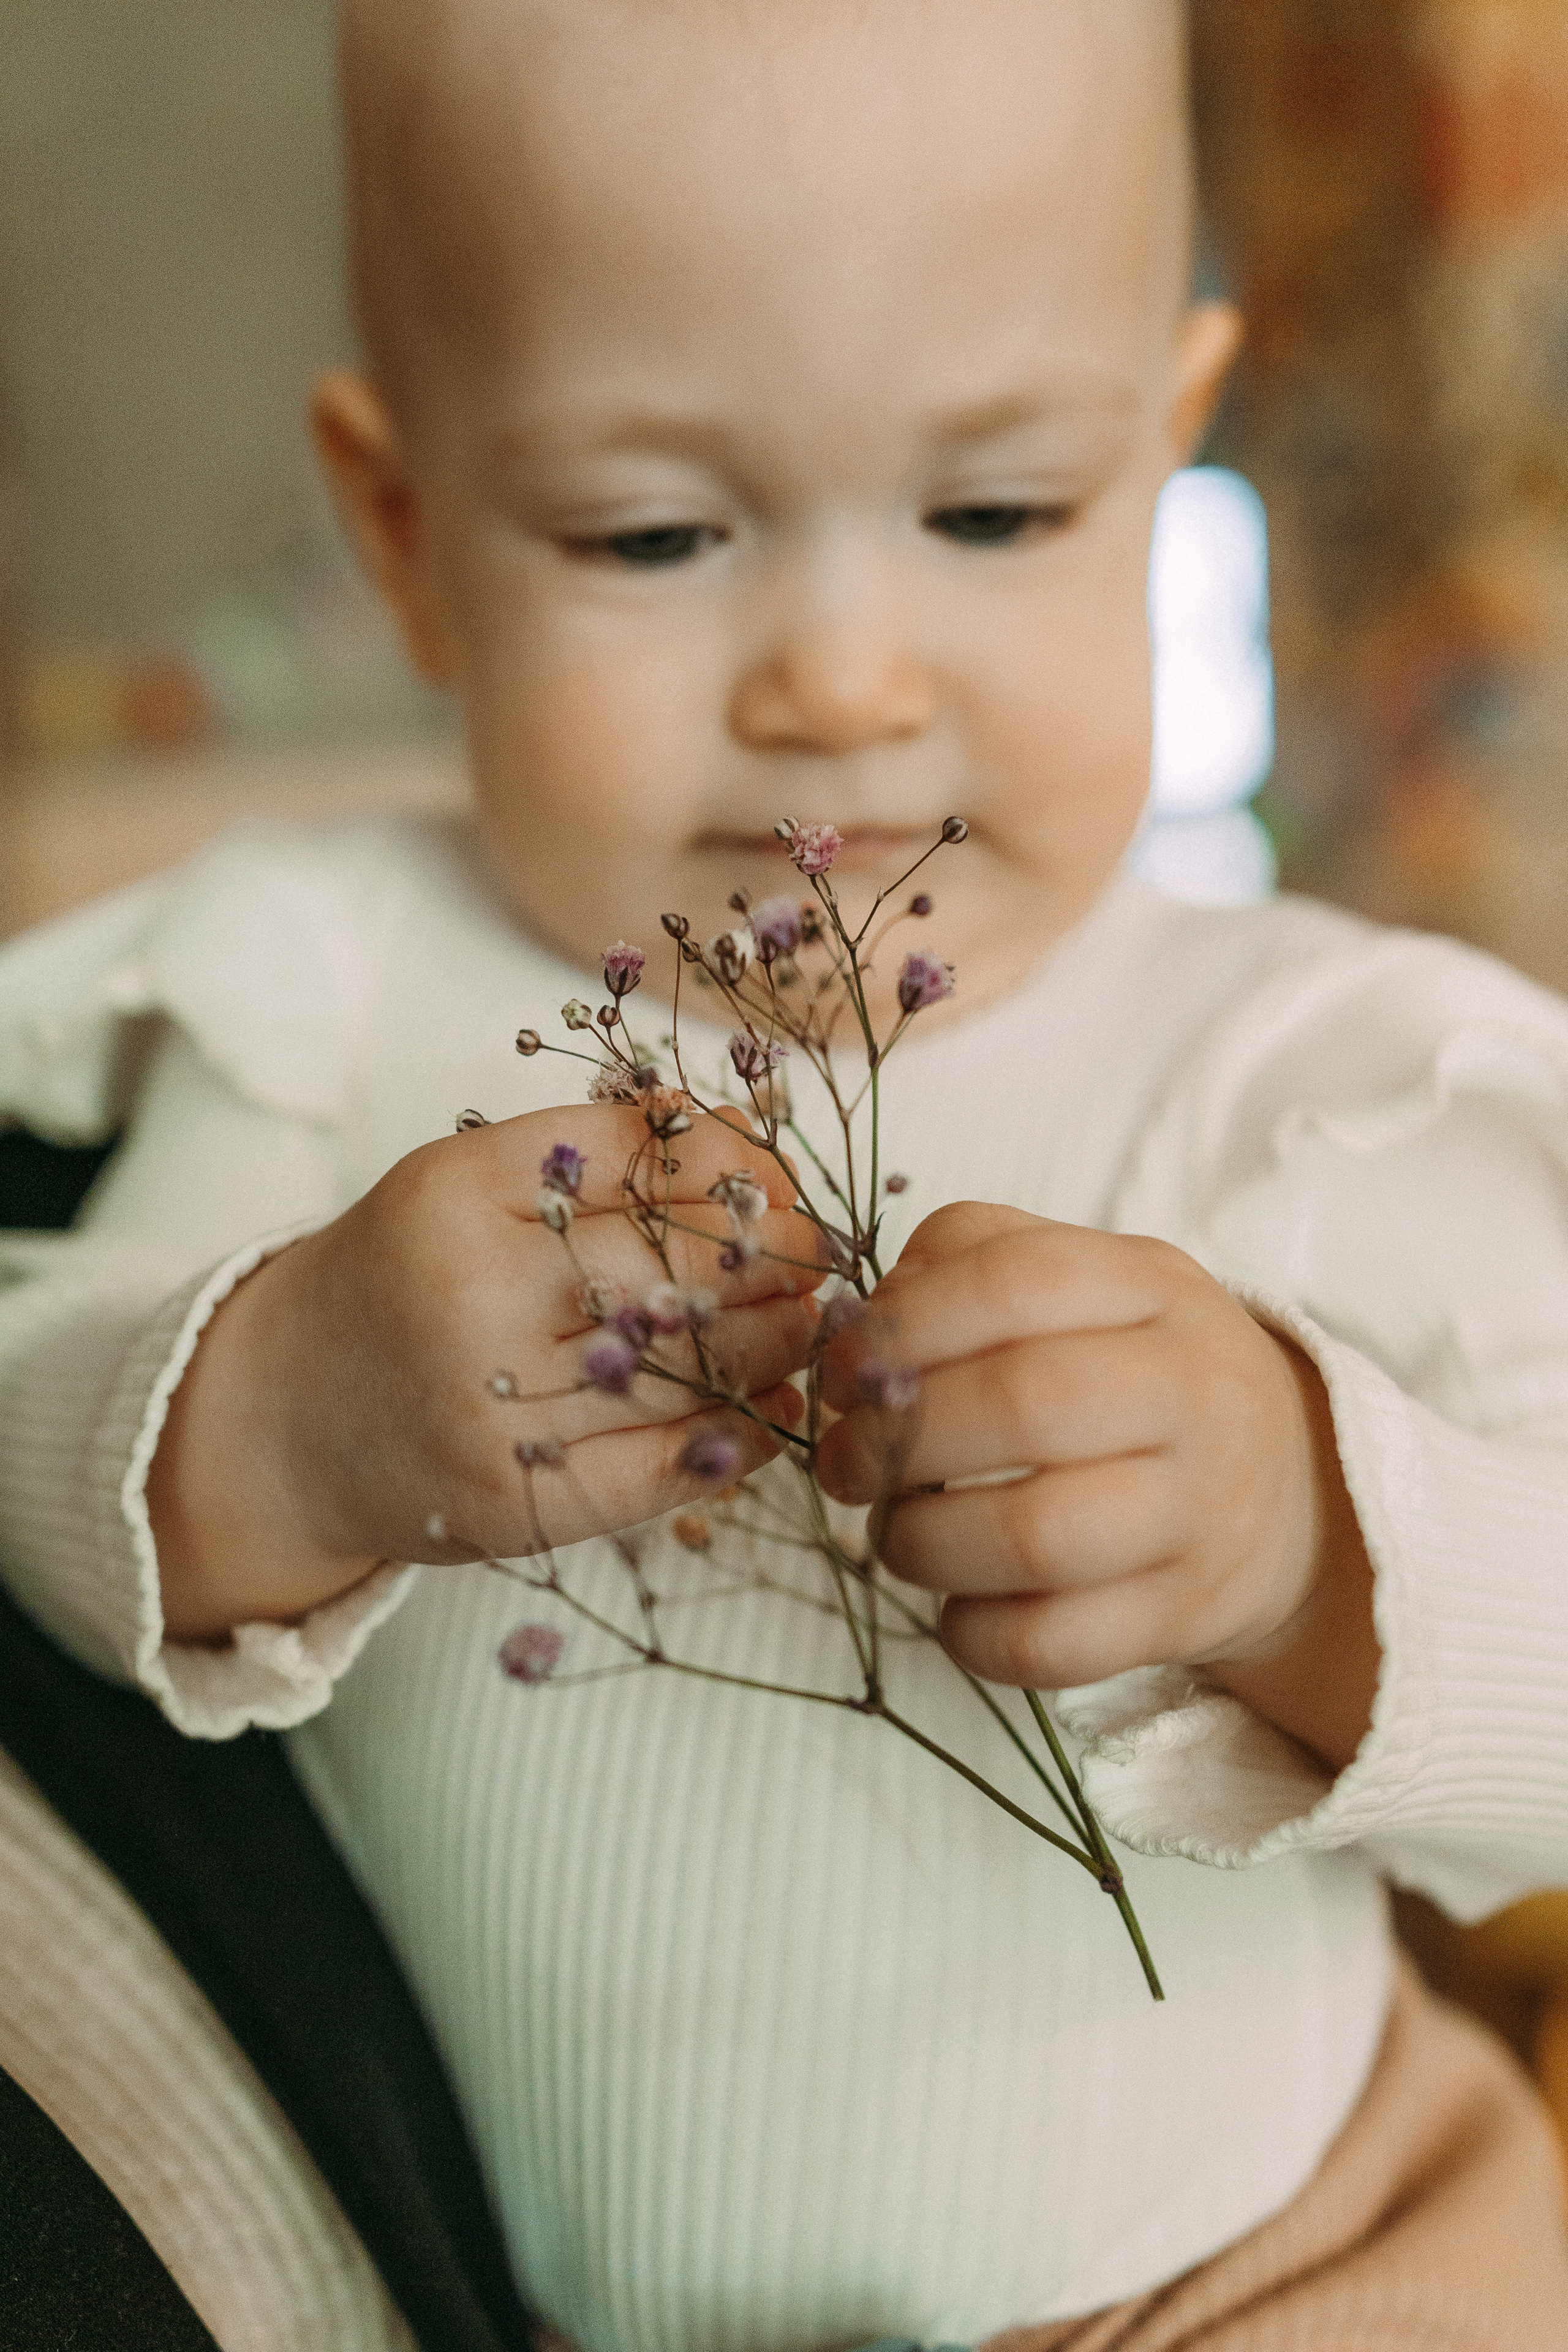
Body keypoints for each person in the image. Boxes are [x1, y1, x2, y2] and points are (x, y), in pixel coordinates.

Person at [3, 1, 1568, 2345]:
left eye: (997, 511)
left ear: (1168, 452)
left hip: (1257, 2277)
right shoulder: (323, 980)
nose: (840, 679)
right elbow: (28, 1466)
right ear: (409, 537)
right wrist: (291, 1399)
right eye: (654, 530)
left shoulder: (1307, 1068)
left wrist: (1300, 1536)